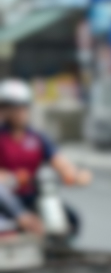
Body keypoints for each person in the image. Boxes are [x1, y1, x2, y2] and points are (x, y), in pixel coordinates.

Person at [0, 78, 91, 235]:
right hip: (6, 198)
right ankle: (22, 219)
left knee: (70, 220)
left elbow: (59, 161)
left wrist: (75, 174)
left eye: (23, 106)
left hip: (32, 195)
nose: (20, 111)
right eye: (14, 107)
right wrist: (12, 177)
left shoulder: (37, 138)